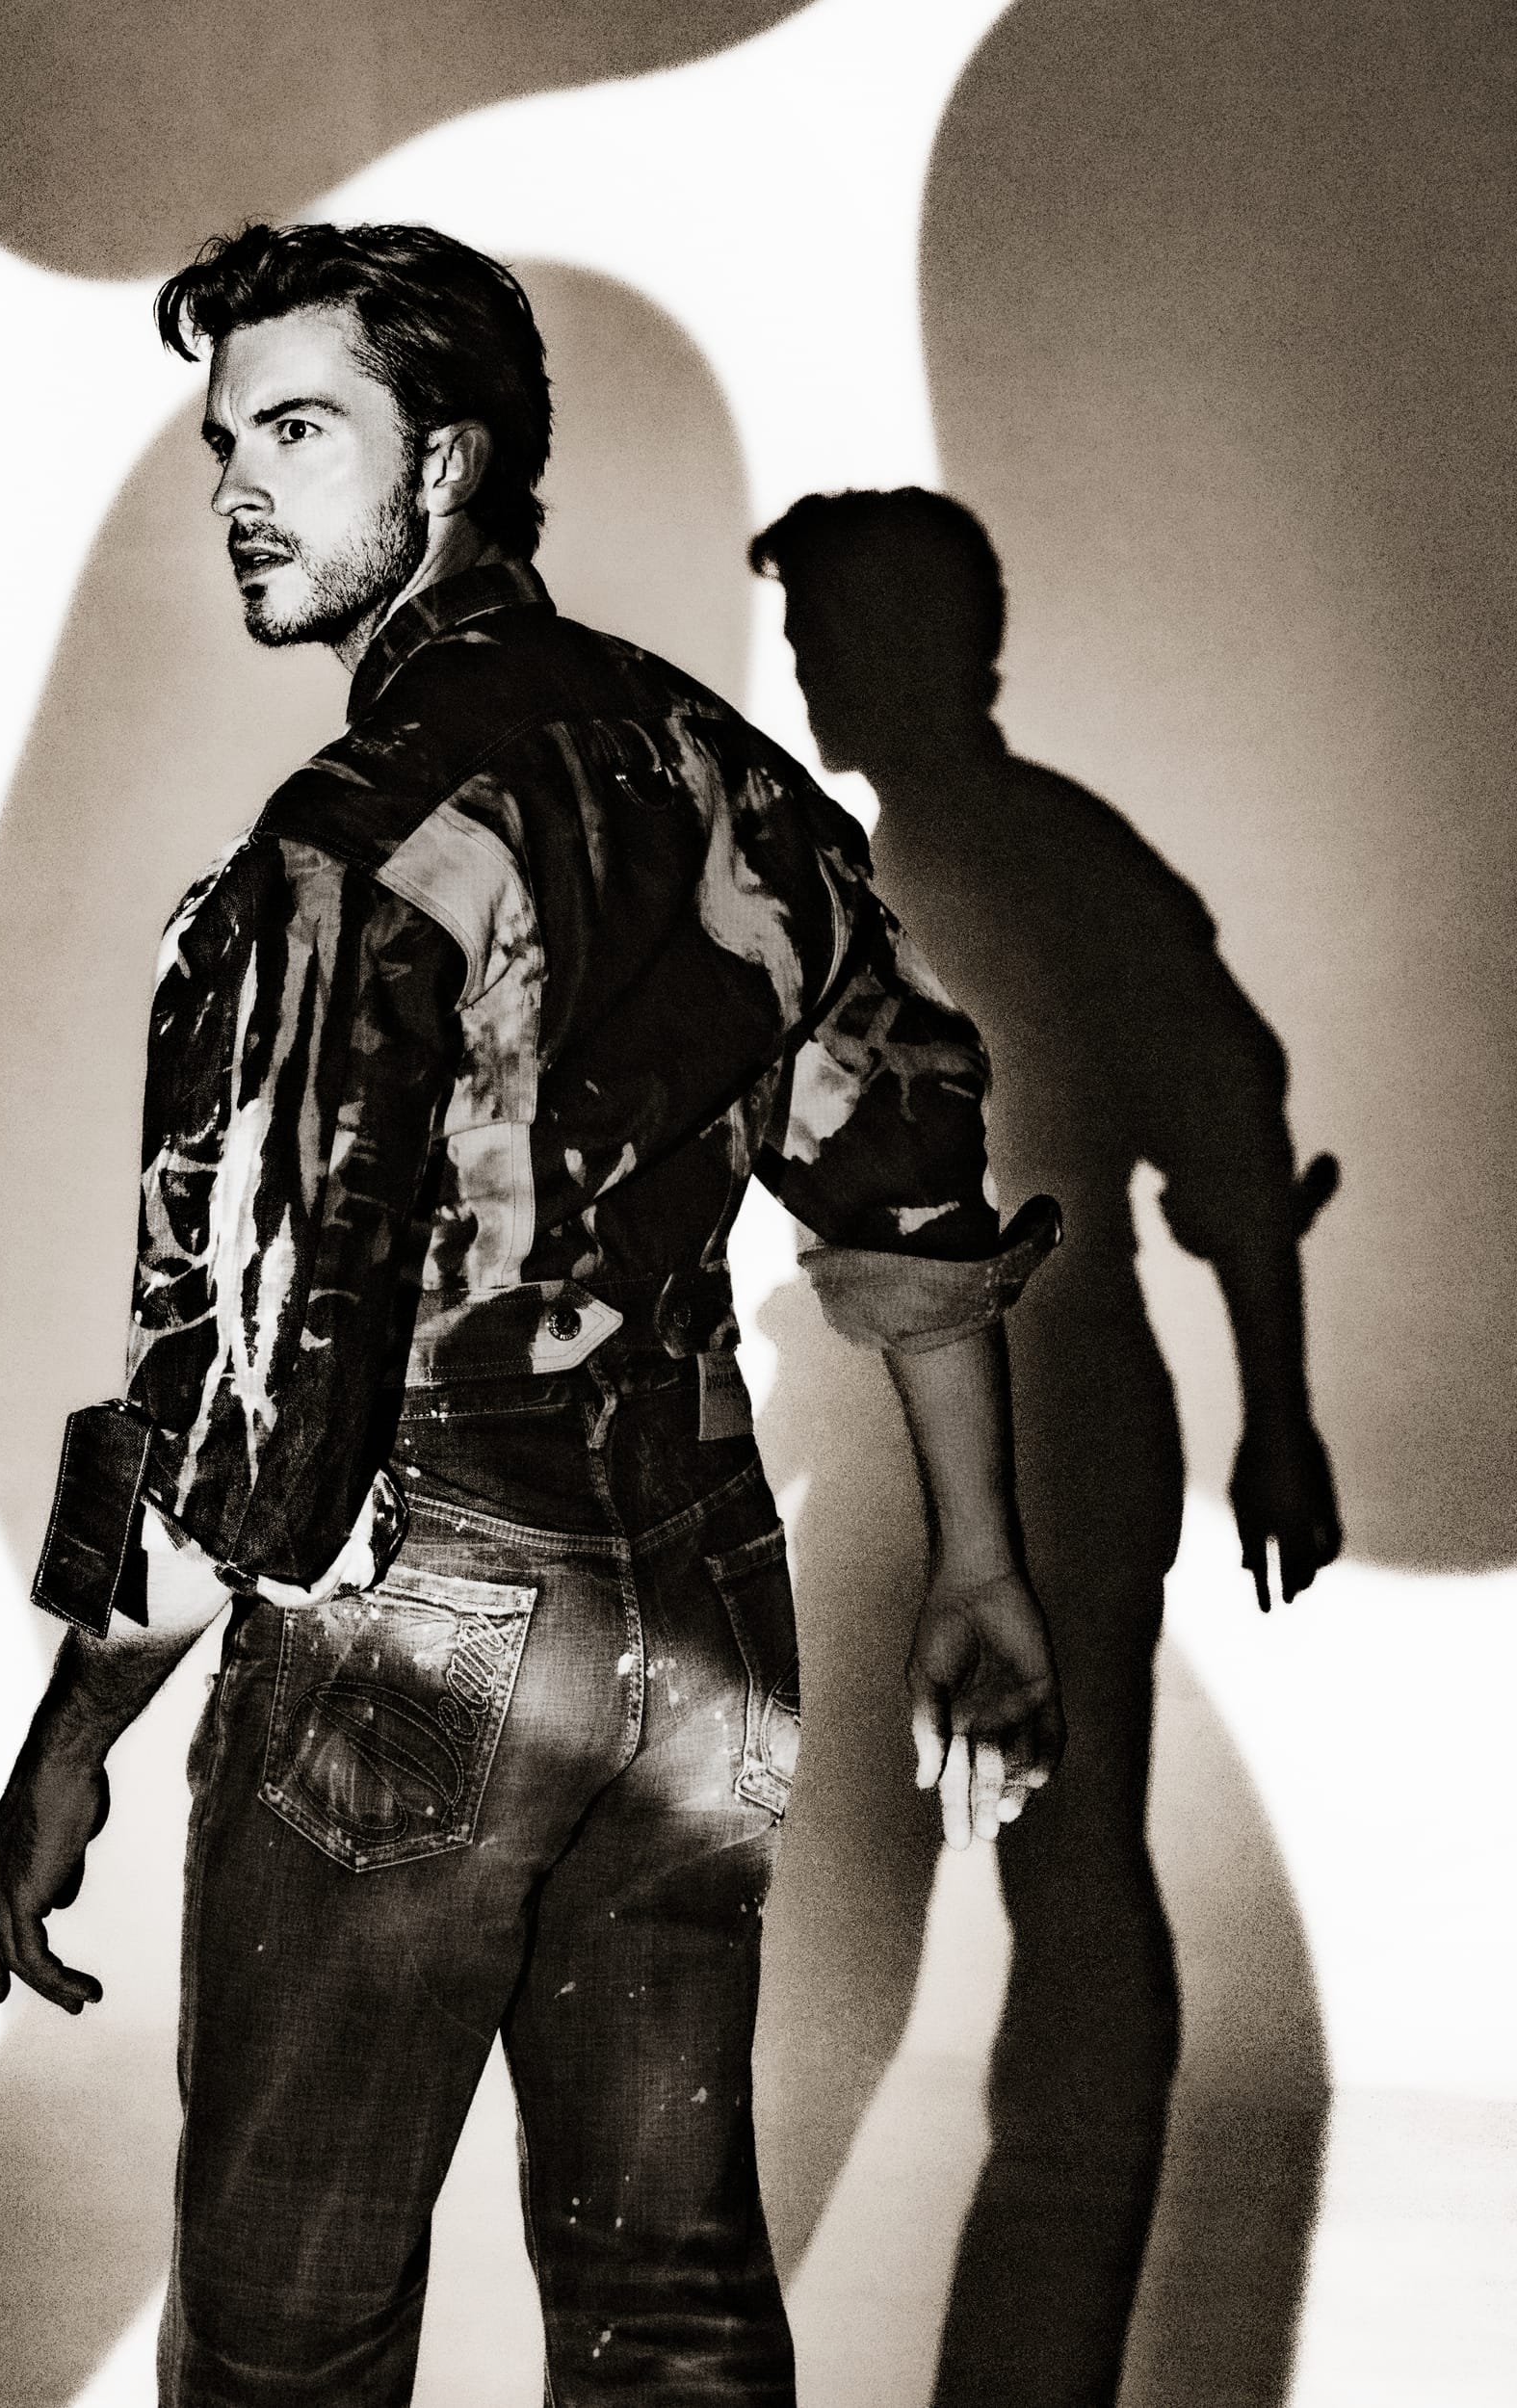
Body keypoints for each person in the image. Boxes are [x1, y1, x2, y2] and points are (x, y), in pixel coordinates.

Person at [0, 226, 1064, 2408]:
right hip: (700, 1602)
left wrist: (71, 1733)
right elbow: (903, 1166)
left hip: (425, 1616)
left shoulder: (349, 846)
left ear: (450, 460)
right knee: (672, 2300)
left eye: (300, 431)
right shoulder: (708, 765)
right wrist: (979, 1560)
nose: (238, 489)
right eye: (222, 444)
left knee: (289, 2324)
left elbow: (250, 1397)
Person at [750, 486, 1342, 2407]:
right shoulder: (938, 859)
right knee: (974, 1858)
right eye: (808, 641)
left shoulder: (992, 865)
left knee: (1006, 1859)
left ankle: (994, 2314)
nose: (813, 675)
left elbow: (1229, 1135)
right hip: (971, 1422)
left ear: (942, 650)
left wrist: (1283, 1419)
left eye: (837, 637)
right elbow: (1231, 1135)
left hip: (1045, 1420)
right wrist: (1274, 1416)